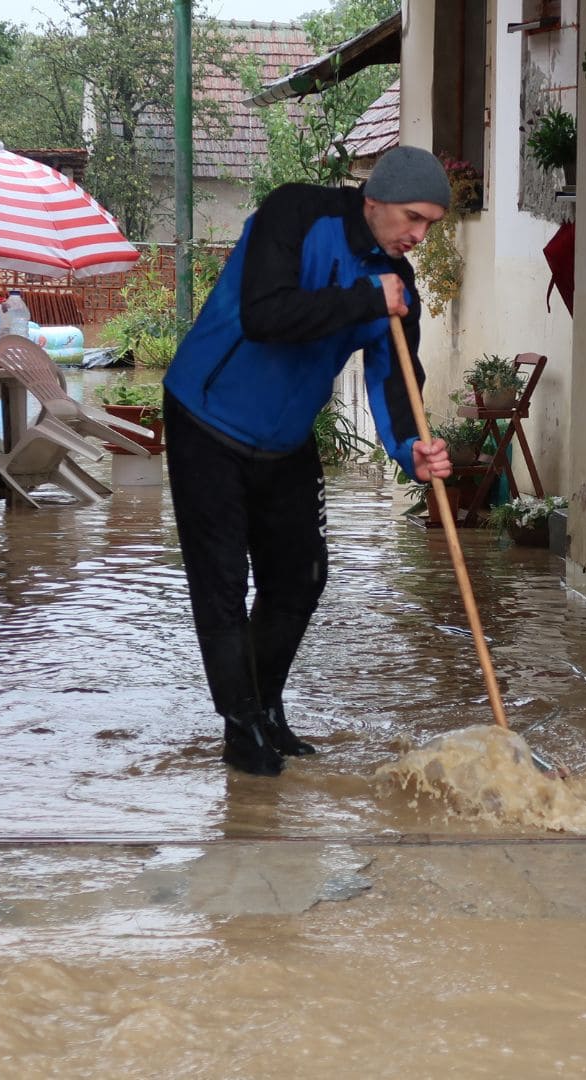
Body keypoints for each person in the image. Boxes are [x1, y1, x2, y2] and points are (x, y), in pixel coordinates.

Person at [162, 146, 456, 776]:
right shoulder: (295, 213)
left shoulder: (396, 291)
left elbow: (398, 386)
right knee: (220, 583)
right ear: (373, 200)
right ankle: (240, 727)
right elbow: (265, 314)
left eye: (430, 224)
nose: (419, 235)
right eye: (412, 217)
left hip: (286, 441)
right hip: (205, 419)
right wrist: (364, 299)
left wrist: (414, 452)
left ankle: (266, 708)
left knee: (300, 577)